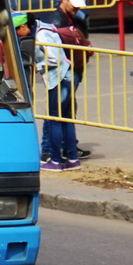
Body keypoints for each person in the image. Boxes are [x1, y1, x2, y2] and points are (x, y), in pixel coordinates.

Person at [47, 0, 94, 160]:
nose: (77, 7)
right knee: (58, 113)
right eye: (74, 4)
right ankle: (53, 150)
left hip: (70, 70)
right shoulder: (58, 21)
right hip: (64, 71)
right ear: (64, 0)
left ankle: (68, 148)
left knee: (65, 111)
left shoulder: (70, 18)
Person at [35, 16, 78, 171]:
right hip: (68, 75)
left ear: (24, 27)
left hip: (59, 78)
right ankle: (72, 159)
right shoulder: (47, 27)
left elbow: (53, 59)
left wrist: (37, 66)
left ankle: (55, 161)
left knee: (55, 119)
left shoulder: (40, 35)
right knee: (66, 119)